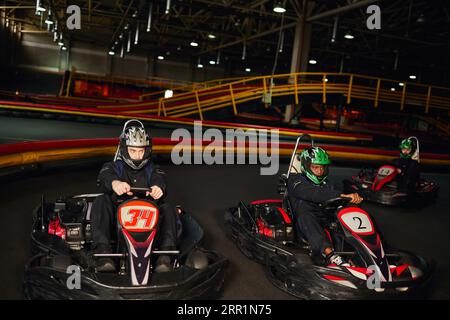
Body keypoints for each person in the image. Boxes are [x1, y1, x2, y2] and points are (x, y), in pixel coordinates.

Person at [91, 119, 177, 273]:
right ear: (124, 149)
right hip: (118, 217)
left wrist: (158, 188)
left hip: (147, 216)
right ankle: (104, 254)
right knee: (101, 200)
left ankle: (165, 256)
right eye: (133, 151)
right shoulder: (114, 167)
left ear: (147, 150)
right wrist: (115, 183)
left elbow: (160, 179)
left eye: (141, 151)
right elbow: (105, 175)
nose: (137, 156)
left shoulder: (153, 169)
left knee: (168, 207)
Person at [287, 146, 363, 266]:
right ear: (306, 166)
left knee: (353, 213)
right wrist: (343, 195)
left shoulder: (327, 182)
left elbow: (335, 197)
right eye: (315, 167)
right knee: (306, 214)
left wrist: (352, 199)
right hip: (304, 220)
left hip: (326, 215)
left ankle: (373, 252)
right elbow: (314, 193)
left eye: (322, 167)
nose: (319, 171)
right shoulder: (296, 180)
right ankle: (330, 255)